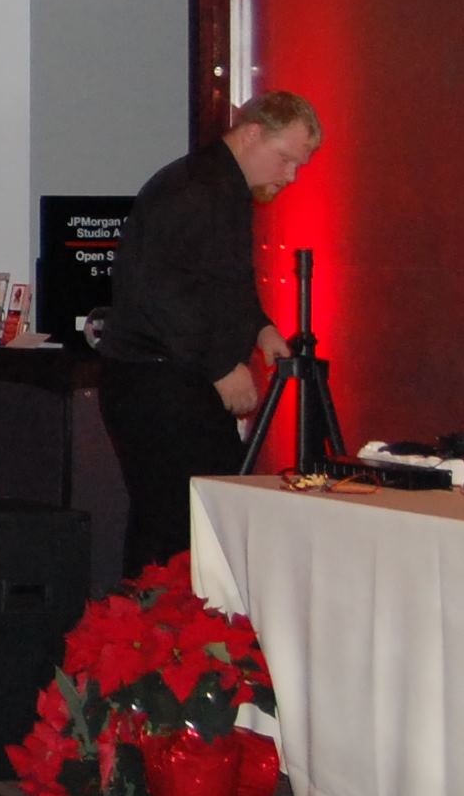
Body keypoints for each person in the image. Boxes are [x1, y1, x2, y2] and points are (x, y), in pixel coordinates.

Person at [96, 91, 322, 578]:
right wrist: (220, 366)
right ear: (252, 134)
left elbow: (220, 281)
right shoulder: (197, 190)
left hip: (161, 376)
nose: (290, 176)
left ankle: (156, 620)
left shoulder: (215, 185)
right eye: (285, 159)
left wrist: (259, 327)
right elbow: (163, 290)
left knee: (178, 522)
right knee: (187, 526)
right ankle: (170, 621)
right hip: (160, 379)